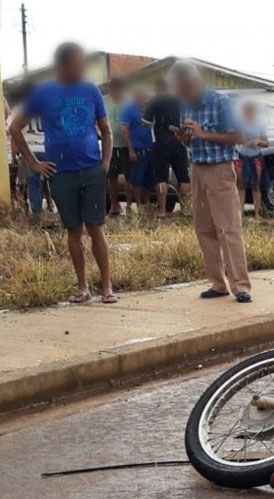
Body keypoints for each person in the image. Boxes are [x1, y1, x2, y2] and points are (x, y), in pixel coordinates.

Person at [9, 42, 117, 304]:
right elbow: (15, 128)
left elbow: (106, 130)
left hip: (91, 170)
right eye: (78, 62)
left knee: (96, 228)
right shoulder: (44, 93)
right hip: (62, 173)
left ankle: (107, 287)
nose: (82, 67)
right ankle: (83, 287)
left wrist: (105, 163)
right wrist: (34, 163)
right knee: (73, 230)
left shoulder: (91, 90)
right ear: (62, 65)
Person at [170, 60, 252, 303]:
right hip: (197, 168)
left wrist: (205, 134)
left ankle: (241, 286)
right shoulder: (185, 105)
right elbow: (191, 140)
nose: (182, 95)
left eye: (184, 90)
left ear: (195, 83)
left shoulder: (220, 102)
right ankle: (218, 283)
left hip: (220, 170)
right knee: (204, 229)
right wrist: (185, 138)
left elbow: (239, 136)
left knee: (228, 228)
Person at [143, 77, 190, 217]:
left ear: (157, 88)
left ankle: (162, 211)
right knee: (183, 177)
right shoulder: (180, 100)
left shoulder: (154, 101)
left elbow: (146, 122)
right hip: (179, 141)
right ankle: (185, 209)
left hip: (161, 143)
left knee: (161, 178)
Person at [121, 87, 155, 213]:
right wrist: (131, 150)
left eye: (146, 97)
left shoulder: (149, 108)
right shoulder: (129, 109)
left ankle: (147, 204)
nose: (144, 99)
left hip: (151, 148)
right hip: (137, 149)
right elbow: (124, 130)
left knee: (150, 179)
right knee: (136, 179)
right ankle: (138, 203)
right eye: (142, 97)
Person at [235, 101, 268, 219]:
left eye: (250, 111)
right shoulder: (238, 125)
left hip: (256, 156)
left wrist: (259, 141)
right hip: (241, 156)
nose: (248, 114)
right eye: (246, 111)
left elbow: (266, 143)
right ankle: (240, 214)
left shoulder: (259, 126)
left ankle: (257, 214)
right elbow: (234, 140)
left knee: (255, 186)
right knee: (241, 185)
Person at [104, 78, 129, 215]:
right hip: (110, 145)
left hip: (126, 145)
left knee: (128, 176)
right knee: (112, 176)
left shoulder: (128, 101)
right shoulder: (104, 101)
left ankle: (130, 204)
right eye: (112, 88)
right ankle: (114, 204)